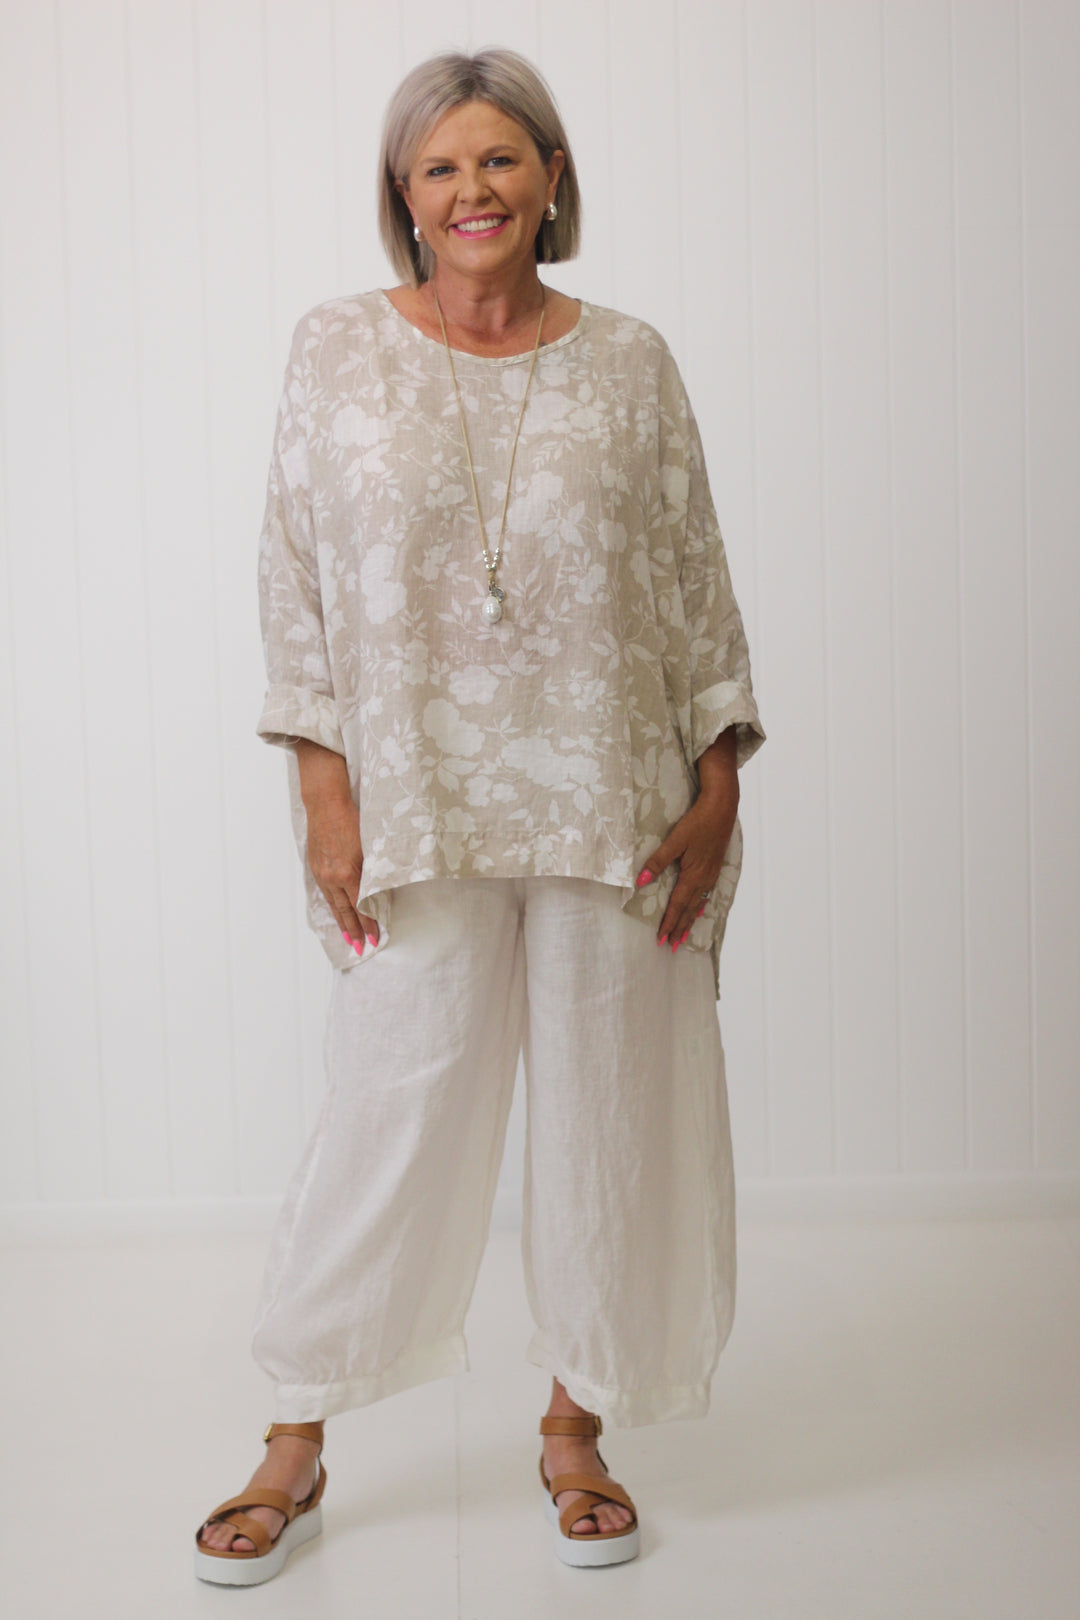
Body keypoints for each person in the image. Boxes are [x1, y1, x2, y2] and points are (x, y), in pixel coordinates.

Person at [194, 46, 766, 1585]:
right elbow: (294, 581)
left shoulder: (631, 361)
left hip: (615, 802)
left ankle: (576, 1425)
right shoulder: (336, 349)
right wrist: (325, 790)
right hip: (417, 805)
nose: (473, 191)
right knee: (385, 1117)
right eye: (440, 167)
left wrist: (717, 777)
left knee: (613, 1120)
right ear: (403, 192)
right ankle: (297, 1433)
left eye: (501, 159)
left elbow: (692, 576)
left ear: (553, 178)